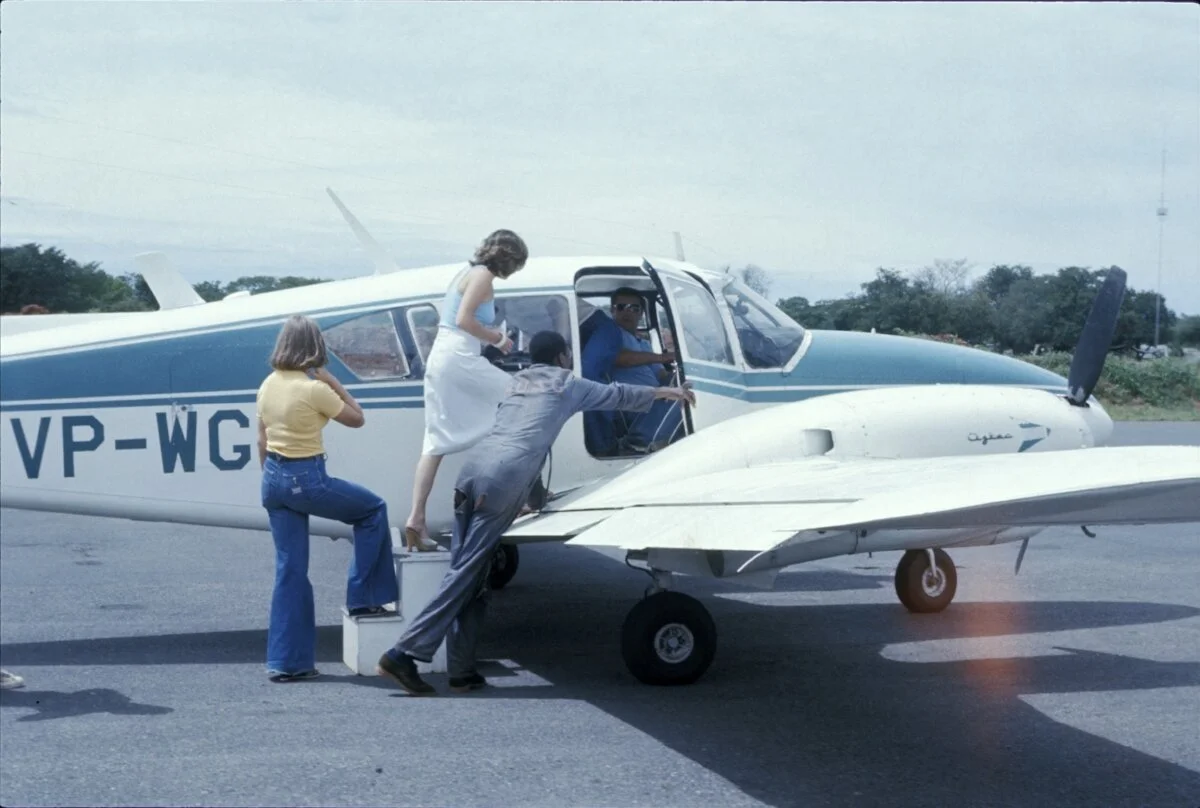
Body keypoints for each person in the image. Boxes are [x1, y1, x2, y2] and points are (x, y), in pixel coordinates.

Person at [376, 331, 695, 695]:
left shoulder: (516, 385)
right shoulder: (566, 385)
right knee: (465, 576)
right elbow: (616, 395)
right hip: (501, 483)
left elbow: (527, 441)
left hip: (472, 475)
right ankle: (403, 654)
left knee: (473, 579)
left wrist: (536, 497)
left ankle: (461, 671)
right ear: (561, 357)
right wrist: (666, 392)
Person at [256, 315, 400, 682]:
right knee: (372, 510)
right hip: (307, 477)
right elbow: (357, 418)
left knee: (289, 571)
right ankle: (364, 597)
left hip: (273, 477)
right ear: (315, 348)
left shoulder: (268, 385)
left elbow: (262, 439)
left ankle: (287, 663)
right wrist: (333, 380)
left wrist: (274, 482)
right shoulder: (313, 388)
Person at [403, 229, 529, 552]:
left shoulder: (467, 272)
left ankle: (416, 520)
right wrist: (498, 339)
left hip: (444, 357)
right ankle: (517, 497)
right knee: (522, 400)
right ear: (507, 258)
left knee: (435, 443)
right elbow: (464, 320)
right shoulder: (483, 276)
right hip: (459, 357)